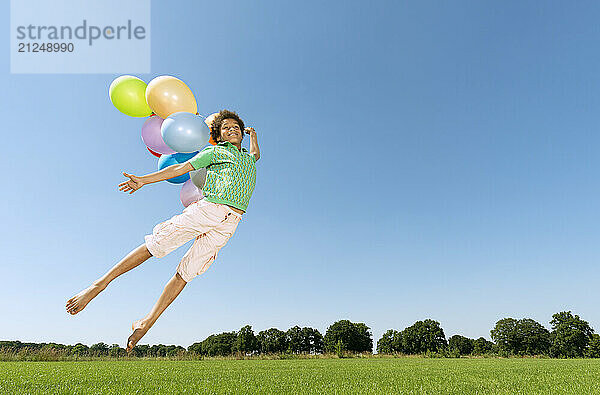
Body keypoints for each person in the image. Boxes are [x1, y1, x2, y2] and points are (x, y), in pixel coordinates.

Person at [65, 109, 259, 352]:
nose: (232, 129)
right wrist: (144, 180)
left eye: (236, 127)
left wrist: (254, 136)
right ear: (218, 136)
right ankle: (99, 285)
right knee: (156, 245)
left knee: (188, 272)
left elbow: (255, 154)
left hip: (230, 223)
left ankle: (148, 322)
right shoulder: (215, 151)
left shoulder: (249, 160)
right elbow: (181, 168)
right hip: (209, 209)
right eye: (226, 127)